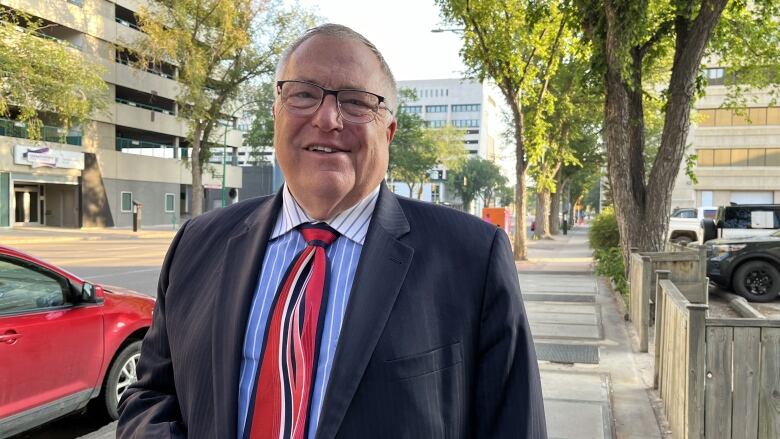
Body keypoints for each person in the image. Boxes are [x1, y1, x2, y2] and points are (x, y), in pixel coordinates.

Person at [117, 24, 546, 439]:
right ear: (276, 114)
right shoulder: (196, 244)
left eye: (356, 102)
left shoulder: (472, 258)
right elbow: (151, 394)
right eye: (303, 94)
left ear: (389, 131)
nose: (327, 118)